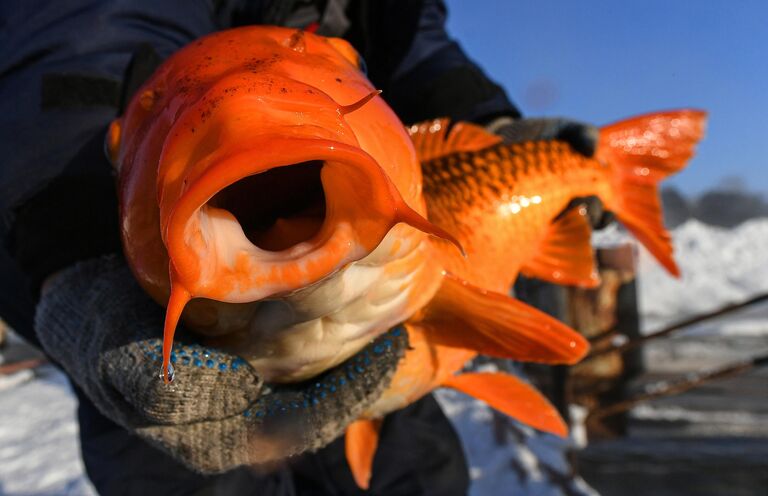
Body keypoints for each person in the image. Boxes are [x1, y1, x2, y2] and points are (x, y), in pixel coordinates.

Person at [0, 1, 595, 494]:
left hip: (390, 304)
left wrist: (489, 125)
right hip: (167, 356)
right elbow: (80, 44)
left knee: (417, 478)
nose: (246, 115)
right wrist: (70, 256)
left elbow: (415, 43)